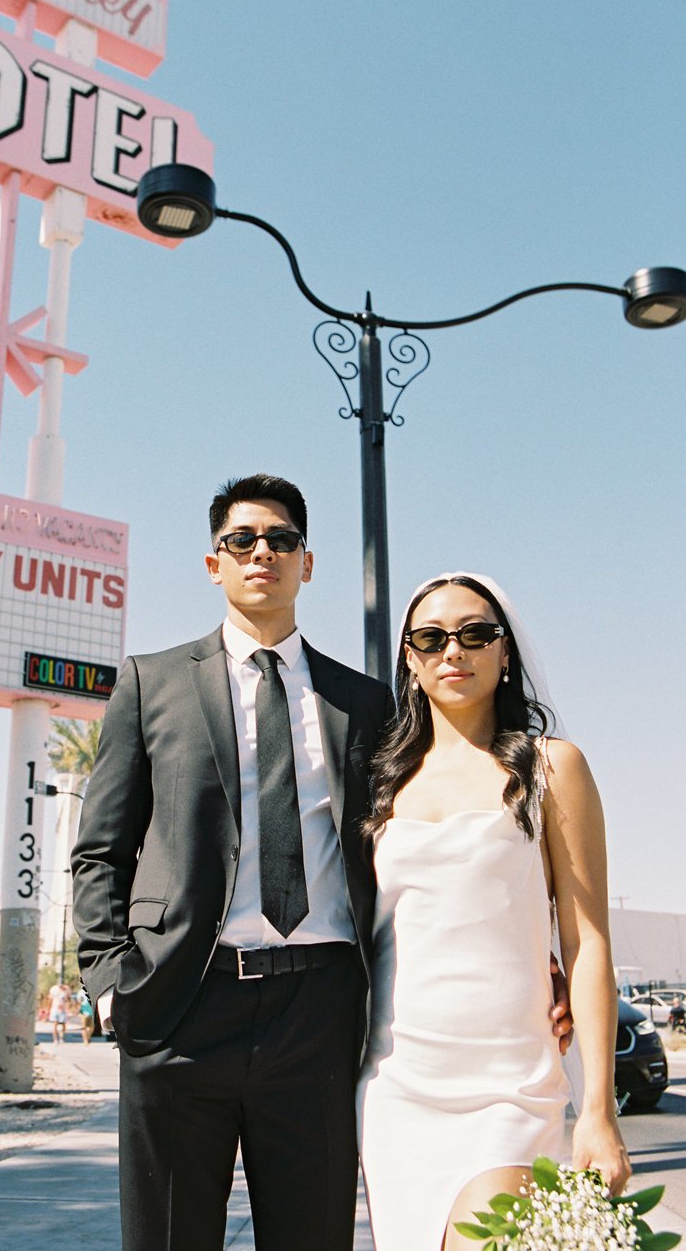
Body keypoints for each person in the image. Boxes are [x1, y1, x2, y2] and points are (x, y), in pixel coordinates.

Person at [70, 473, 394, 1251]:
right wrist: (114, 983)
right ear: (213, 563)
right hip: (183, 1002)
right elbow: (100, 850)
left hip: (316, 1011)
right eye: (241, 540)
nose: (262, 553)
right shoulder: (151, 683)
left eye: (281, 540)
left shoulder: (364, 702)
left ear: (306, 563)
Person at [356, 572, 630, 1250]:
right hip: (397, 1087)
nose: (455, 650)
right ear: (411, 662)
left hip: (510, 1084)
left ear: (505, 653)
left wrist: (598, 1107)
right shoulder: (376, 784)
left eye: (476, 633)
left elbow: (587, 940)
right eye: (431, 637)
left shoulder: (552, 768)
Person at [48, 979, 71, 1044]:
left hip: (63, 1010)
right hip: (55, 1008)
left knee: (63, 1025)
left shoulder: (66, 990)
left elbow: (69, 1000)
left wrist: (67, 1008)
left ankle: (61, 1038)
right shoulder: (53, 989)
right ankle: (55, 1039)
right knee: (55, 1024)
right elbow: (49, 999)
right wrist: (49, 1009)